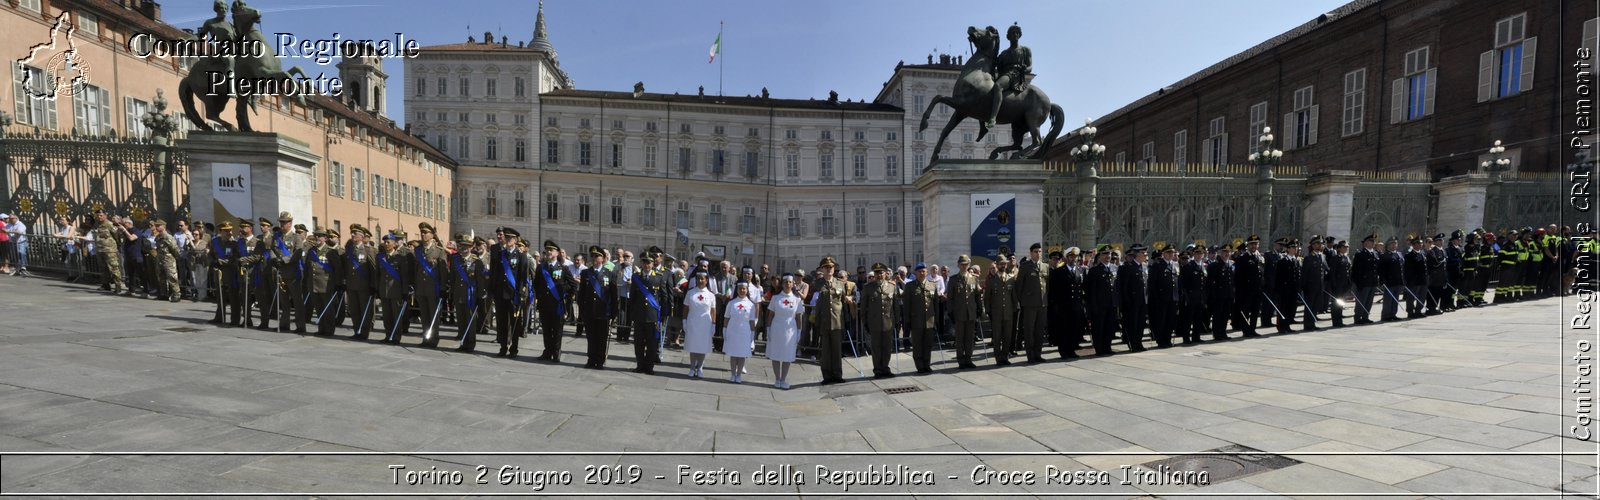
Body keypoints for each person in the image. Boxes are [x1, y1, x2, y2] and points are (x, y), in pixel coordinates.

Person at [983, 23, 1031, 131]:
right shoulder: (1004, 53)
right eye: (1012, 33)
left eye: (1017, 33)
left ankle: (993, 117)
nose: (1015, 35)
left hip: (1015, 75)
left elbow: (1030, 67)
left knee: (998, 86)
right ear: (1008, 36)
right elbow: (997, 66)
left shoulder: (1025, 50)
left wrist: (1025, 69)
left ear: (1019, 35)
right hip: (1004, 74)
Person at [489, 228, 529, 357]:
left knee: (515, 323)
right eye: (506, 238)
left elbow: (523, 277)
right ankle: (503, 346)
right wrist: (492, 289)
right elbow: (494, 273)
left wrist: (522, 293)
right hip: (501, 294)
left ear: (516, 240)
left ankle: (514, 348)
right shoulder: (500, 254)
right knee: (501, 322)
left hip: (514, 295)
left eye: (510, 238)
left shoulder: (521, 256)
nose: (508, 240)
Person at [812, 256, 850, 384]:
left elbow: (843, 303)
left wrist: (847, 320)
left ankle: (837, 374)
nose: (829, 269)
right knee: (826, 350)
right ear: (822, 269)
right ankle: (827, 376)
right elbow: (816, 305)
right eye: (826, 267)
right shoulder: (817, 284)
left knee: (837, 349)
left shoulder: (840, 283)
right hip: (824, 321)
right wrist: (815, 321)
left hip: (837, 321)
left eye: (831, 267)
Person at [534, 240, 571, 362]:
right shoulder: (541, 267)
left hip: (557, 305)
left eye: (551, 250)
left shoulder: (564, 269)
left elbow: (572, 286)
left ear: (557, 253)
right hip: (545, 304)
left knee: (557, 330)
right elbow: (536, 285)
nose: (548, 252)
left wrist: (563, 291)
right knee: (546, 329)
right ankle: (547, 351)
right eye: (547, 250)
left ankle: (556, 353)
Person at [412, 223, 449, 347]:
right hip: (421, 288)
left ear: (432, 235)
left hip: (434, 288)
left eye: (426, 233)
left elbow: (443, 271)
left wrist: (443, 287)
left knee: (433, 315)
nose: (423, 235)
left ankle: (433, 339)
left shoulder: (439, 251)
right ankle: (425, 338)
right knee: (424, 314)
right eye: (421, 232)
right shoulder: (418, 250)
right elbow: (415, 269)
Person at [765, 274, 804, 388]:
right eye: (785, 282)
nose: (788, 284)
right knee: (776, 354)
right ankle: (777, 379)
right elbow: (770, 315)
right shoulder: (775, 298)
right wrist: (768, 329)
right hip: (777, 328)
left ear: (793, 284)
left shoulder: (797, 300)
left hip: (790, 329)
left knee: (787, 355)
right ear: (782, 284)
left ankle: (783, 379)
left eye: (790, 282)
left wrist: (799, 331)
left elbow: (798, 317)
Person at [861, 263, 900, 378]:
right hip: (874, 323)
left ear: (885, 274)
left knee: (887, 347)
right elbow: (863, 307)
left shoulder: (892, 287)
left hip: (888, 322)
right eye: (877, 273)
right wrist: (865, 322)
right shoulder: (868, 288)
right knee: (876, 347)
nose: (879, 275)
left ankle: (885, 368)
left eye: (881, 273)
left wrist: (897, 321)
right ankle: (878, 369)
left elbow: (895, 307)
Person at [579, 246, 613, 369]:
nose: (594, 258)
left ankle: (600, 360)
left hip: (603, 312)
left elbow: (613, 295)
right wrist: (582, 310)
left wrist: (613, 312)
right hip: (589, 311)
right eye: (592, 256)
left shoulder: (609, 274)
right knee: (591, 337)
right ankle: (591, 359)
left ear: (603, 258)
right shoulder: (585, 273)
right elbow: (581, 294)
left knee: (601, 337)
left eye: (597, 256)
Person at [376, 230, 413, 344]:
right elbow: (378, 274)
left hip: (396, 291)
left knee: (396, 315)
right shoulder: (380, 257)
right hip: (384, 290)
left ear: (394, 244)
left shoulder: (400, 257)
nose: (386, 244)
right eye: (385, 242)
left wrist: (404, 291)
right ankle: (388, 335)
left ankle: (396, 337)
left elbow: (404, 276)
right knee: (386, 316)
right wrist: (378, 289)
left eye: (388, 242)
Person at [1015, 243, 1049, 363]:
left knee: (1040, 330)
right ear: (1031, 253)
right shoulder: (1025, 266)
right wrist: (1022, 301)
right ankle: (1030, 356)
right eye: (1035, 251)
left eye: (1039, 251)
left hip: (1042, 304)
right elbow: (1019, 286)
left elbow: (1047, 286)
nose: (1038, 254)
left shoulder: (1045, 266)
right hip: (1029, 304)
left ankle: (1038, 354)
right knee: (1029, 330)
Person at [344, 225, 379, 339]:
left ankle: (364, 333)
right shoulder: (349, 250)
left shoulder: (369, 250)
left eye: (355, 233)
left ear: (361, 236)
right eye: (352, 233)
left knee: (365, 310)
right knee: (354, 310)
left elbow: (373, 269)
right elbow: (346, 268)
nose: (353, 235)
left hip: (364, 286)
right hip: (351, 285)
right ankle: (357, 331)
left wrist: (373, 285)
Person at [304, 228, 341, 335]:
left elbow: (337, 269)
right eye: (316, 235)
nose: (317, 237)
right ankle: (321, 329)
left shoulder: (331, 251)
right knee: (319, 308)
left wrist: (338, 284)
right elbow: (307, 267)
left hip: (326, 285)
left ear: (325, 238)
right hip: (314, 284)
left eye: (320, 235)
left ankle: (329, 330)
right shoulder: (311, 251)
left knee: (328, 309)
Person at [904, 263, 940, 373]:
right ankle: (919, 366)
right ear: (916, 273)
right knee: (918, 344)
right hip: (916, 321)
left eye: (924, 271)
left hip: (929, 320)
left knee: (928, 344)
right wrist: (907, 321)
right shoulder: (910, 286)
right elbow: (907, 306)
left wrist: (936, 320)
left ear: (927, 272)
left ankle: (927, 364)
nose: (922, 273)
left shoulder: (932, 285)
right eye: (919, 271)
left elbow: (936, 304)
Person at [946, 255, 981, 368]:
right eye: (962, 264)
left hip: (971, 313)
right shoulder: (953, 279)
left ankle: (968, 358)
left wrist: (980, 308)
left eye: (966, 264)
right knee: (960, 337)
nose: (964, 266)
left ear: (969, 265)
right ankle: (961, 359)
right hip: (959, 313)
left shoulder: (974, 278)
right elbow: (950, 298)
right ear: (958, 265)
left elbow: (976, 296)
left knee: (970, 337)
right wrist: (950, 312)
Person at [1051, 248, 1086, 358]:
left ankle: (1071, 350)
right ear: (1066, 257)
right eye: (1071, 256)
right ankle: (1063, 351)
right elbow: (1054, 290)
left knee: (1074, 329)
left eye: (1075, 257)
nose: (1074, 259)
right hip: (1064, 306)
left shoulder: (1080, 270)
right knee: (1064, 329)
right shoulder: (1059, 272)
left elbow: (1082, 288)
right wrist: (1055, 305)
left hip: (1076, 305)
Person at [984, 254, 1018, 365]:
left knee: (1007, 336)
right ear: (997, 265)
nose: (1003, 265)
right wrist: (988, 311)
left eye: (1004, 263)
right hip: (996, 313)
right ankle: (998, 358)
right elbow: (986, 297)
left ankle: (1005, 356)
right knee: (997, 337)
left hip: (1008, 312)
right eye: (1001, 264)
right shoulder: (991, 280)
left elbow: (1014, 296)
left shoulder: (1011, 279)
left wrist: (1014, 309)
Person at [1085, 245, 1119, 355]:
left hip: (1112, 304)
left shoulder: (1115, 268)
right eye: (1104, 254)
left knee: (1109, 327)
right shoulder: (1094, 271)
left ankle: (1107, 347)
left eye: (1109, 254)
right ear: (1100, 256)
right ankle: (1099, 349)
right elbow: (1091, 291)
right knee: (1099, 328)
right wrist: (1092, 306)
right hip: (1099, 305)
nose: (1107, 256)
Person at [723, 282, 758, 383]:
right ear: (737, 290)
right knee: (733, 354)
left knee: (742, 354)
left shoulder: (751, 305)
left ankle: (739, 375)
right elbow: (726, 318)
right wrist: (724, 330)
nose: (742, 291)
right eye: (740, 289)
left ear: (747, 290)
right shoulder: (731, 303)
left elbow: (752, 321)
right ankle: (733, 374)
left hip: (745, 331)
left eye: (744, 289)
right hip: (733, 330)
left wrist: (752, 334)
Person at [1118, 244, 1150, 351]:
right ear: (1137, 255)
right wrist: (1126, 302)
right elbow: (1124, 287)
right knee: (1133, 324)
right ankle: (1133, 344)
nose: (1145, 255)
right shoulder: (1128, 267)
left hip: (1143, 300)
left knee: (1141, 324)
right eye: (1143, 253)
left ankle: (1139, 343)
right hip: (1132, 302)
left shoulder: (1144, 267)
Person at [1147, 244, 1180, 347]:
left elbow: (1177, 282)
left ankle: (1167, 339)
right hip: (1161, 299)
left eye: (1172, 252)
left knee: (1170, 320)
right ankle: (1161, 340)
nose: (1171, 254)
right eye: (1169, 252)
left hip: (1172, 297)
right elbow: (1152, 284)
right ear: (1163, 254)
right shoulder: (1157, 265)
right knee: (1161, 320)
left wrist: (1178, 296)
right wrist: (1156, 299)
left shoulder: (1175, 265)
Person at [1232, 236, 1264, 336]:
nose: (1254, 246)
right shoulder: (1243, 258)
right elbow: (1238, 277)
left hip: (1257, 290)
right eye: (1252, 244)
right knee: (1246, 312)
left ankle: (1252, 329)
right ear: (1248, 245)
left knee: (1255, 311)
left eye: (1256, 244)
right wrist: (1240, 292)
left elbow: (1262, 274)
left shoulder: (1260, 257)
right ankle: (1246, 331)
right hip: (1246, 291)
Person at [1205, 244, 1236, 340]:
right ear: (1220, 253)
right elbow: (1210, 282)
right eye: (1224, 252)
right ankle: (1217, 333)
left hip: (1228, 295)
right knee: (1218, 315)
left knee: (1226, 315)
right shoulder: (1215, 266)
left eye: (1228, 252)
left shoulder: (1231, 264)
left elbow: (1233, 281)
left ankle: (1223, 332)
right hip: (1218, 295)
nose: (1227, 254)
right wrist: (1212, 296)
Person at [1273, 239, 1303, 333]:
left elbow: (1297, 276)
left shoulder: (1297, 261)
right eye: (1293, 247)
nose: (1295, 249)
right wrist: (1278, 291)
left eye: (1296, 247)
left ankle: (1287, 325)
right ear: (1288, 249)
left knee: (1291, 308)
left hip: (1293, 289)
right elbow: (1278, 277)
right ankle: (1281, 327)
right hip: (1284, 290)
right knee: (1283, 308)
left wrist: (1298, 288)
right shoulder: (1282, 261)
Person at [1179, 244, 1207, 343]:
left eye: (1201, 254)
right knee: (1188, 319)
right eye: (1197, 254)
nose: (1199, 256)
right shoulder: (1189, 266)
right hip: (1191, 297)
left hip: (1200, 297)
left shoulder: (1203, 266)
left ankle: (1196, 337)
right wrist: (1186, 296)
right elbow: (1184, 283)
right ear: (1193, 254)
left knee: (1198, 318)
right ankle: (1186, 338)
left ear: (1203, 255)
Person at [1300, 237, 1328, 331]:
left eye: (1321, 244)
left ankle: (1312, 323)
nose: (1320, 245)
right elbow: (1304, 273)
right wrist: (1304, 286)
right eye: (1318, 244)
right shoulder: (1309, 257)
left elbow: (1325, 269)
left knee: (1316, 305)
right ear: (1313, 245)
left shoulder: (1322, 256)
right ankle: (1307, 325)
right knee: (1309, 306)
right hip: (1310, 286)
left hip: (1319, 285)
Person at [1351, 235, 1380, 324]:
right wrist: (1357, 283)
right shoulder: (1360, 254)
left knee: (1369, 301)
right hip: (1363, 282)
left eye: (1373, 241)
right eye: (1371, 241)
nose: (1373, 243)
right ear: (1366, 243)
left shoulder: (1375, 253)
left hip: (1372, 282)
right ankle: (1358, 317)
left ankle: (1365, 316)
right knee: (1361, 301)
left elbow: (1377, 268)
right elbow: (1355, 270)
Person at [151, 220, 181, 303]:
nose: (156, 227)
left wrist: (177, 258)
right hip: (160, 259)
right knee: (161, 277)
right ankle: (164, 294)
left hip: (168, 260)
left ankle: (176, 294)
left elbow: (175, 249)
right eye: (156, 225)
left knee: (172, 277)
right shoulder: (158, 237)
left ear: (163, 226)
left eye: (158, 225)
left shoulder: (168, 237)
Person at [1379, 237, 1406, 321]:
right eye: (1392, 243)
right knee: (1388, 299)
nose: (1394, 245)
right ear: (1388, 245)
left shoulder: (1399, 254)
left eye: (1395, 243)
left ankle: (1393, 314)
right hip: (1389, 281)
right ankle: (1386, 315)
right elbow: (1381, 269)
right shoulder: (1385, 255)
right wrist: (1383, 280)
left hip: (1398, 280)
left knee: (1395, 299)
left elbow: (1402, 267)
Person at [1327, 240, 1352, 328]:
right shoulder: (1335, 258)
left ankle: (1339, 320)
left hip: (1344, 284)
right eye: (1344, 247)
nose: (1345, 249)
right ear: (1339, 248)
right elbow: (1332, 273)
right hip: (1337, 285)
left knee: (1341, 303)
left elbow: (1348, 271)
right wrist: (1334, 285)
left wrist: (1349, 283)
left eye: (1346, 247)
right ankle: (1335, 321)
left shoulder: (1346, 258)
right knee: (1335, 304)